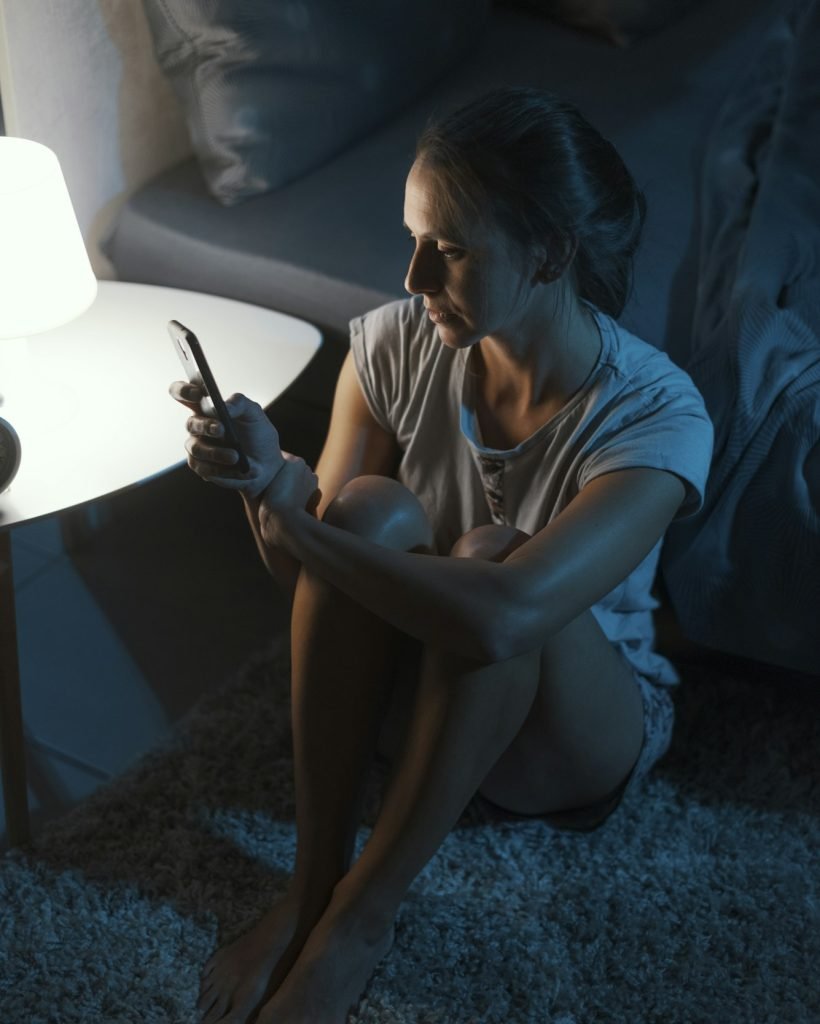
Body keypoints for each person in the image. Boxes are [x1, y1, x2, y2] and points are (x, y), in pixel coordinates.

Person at [171, 86, 713, 1024]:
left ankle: (358, 921)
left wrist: (297, 518)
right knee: (371, 510)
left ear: (549, 253)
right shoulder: (388, 346)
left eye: (451, 250)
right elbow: (310, 583)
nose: (415, 276)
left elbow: (506, 617)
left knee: (497, 558)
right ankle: (311, 884)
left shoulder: (657, 418)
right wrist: (269, 489)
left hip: (565, 742)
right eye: (414, 238)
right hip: (412, 698)